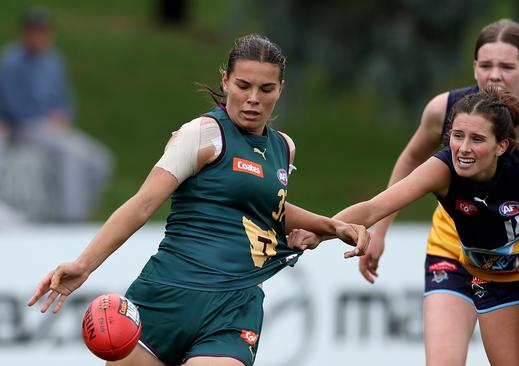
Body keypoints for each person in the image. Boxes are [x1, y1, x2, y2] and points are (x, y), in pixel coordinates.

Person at [27, 34, 370, 366]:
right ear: (225, 81)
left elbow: (267, 207)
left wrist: (331, 227)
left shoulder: (283, 147)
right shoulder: (203, 134)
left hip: (234, 306)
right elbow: (144, 203)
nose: (253, 98)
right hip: (165, 296)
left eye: (266, 89)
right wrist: (84, 264)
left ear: (280, 89)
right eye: (243, 85)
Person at [322, 87, 519, 366]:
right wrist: (317, 230)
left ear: (501, 145)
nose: (463, 148)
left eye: (477, 139)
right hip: (493, 272)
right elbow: (374, 208)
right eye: (457, 136)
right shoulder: (441, 169)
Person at [365, 19, 519, 365]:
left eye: (507, 66)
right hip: (453, 251)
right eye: (486, 65)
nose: (495, 75)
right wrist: (380, 230)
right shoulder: (445, 109)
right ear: (474, 67)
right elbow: (411, 160)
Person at [0, 7, 113, 221]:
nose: (38, 36)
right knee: (72, 154)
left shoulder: (54, 61)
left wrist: (62, 115)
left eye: (42, 31)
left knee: (100, 160)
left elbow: (64, 100)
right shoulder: (11, 62)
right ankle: (70, 221)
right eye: (33, 31)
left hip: (53, 129)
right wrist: (46, 120)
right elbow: (12, 106)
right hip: (25, 128)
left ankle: (84, 214)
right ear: (24, 33)